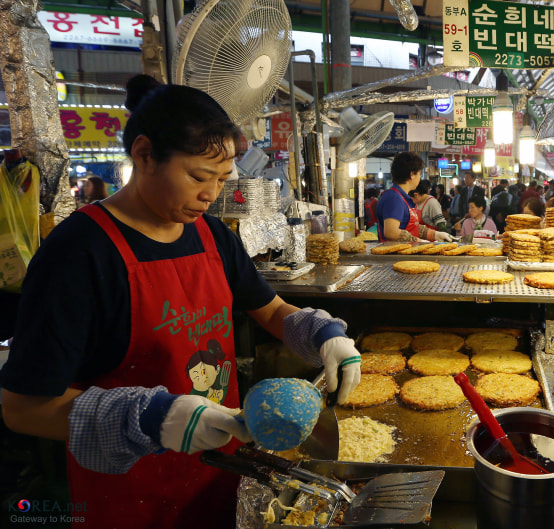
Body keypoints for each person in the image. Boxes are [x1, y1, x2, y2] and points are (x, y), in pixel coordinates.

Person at [0, 75, 364, 528]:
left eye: (222, 179)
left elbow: (269, 310)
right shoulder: (79, 253)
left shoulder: (211, 235)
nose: (212, 194)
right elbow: (23, 409)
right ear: (144, 154)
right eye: (198, 176)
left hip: (222, 475)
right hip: (131, 492)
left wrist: (320, 334)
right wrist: (149, 418)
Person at [375, 152, 454, 243]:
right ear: (412, 174)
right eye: (419, 174)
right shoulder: (394, 198)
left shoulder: (402, 197)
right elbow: (391, 232)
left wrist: (434, 234)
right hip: (395, 255)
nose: (419, 178)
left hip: (406, 253)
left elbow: (411, 226)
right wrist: (417, 241)